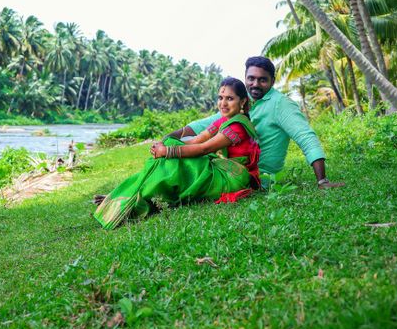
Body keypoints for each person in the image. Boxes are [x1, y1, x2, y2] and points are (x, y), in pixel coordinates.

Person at [94, 78, 260, 229]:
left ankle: (134, 200)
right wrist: (166, 146)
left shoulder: (237, 126)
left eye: (229, 99)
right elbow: (197, 140)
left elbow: (204, 149)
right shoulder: (224, 120)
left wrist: (167, 152)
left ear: (243, 101)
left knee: (181, 163)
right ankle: (130, 195)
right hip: (221, 167)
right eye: (220, 98)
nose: (223, 103)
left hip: (232, 177)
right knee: (171, 146)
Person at [168, 56, 343, 189]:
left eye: (262, 80)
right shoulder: (243, 102)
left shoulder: (281, 104)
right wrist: (170, 137)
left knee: (186, 159)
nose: (255, 84)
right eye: (251, 78)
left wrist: (322, 180)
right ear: (245, 78)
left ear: (272, 81)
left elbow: (306, 137)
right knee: (179, 147)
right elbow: (208, 123)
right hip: (233, 168)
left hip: (256, 178)